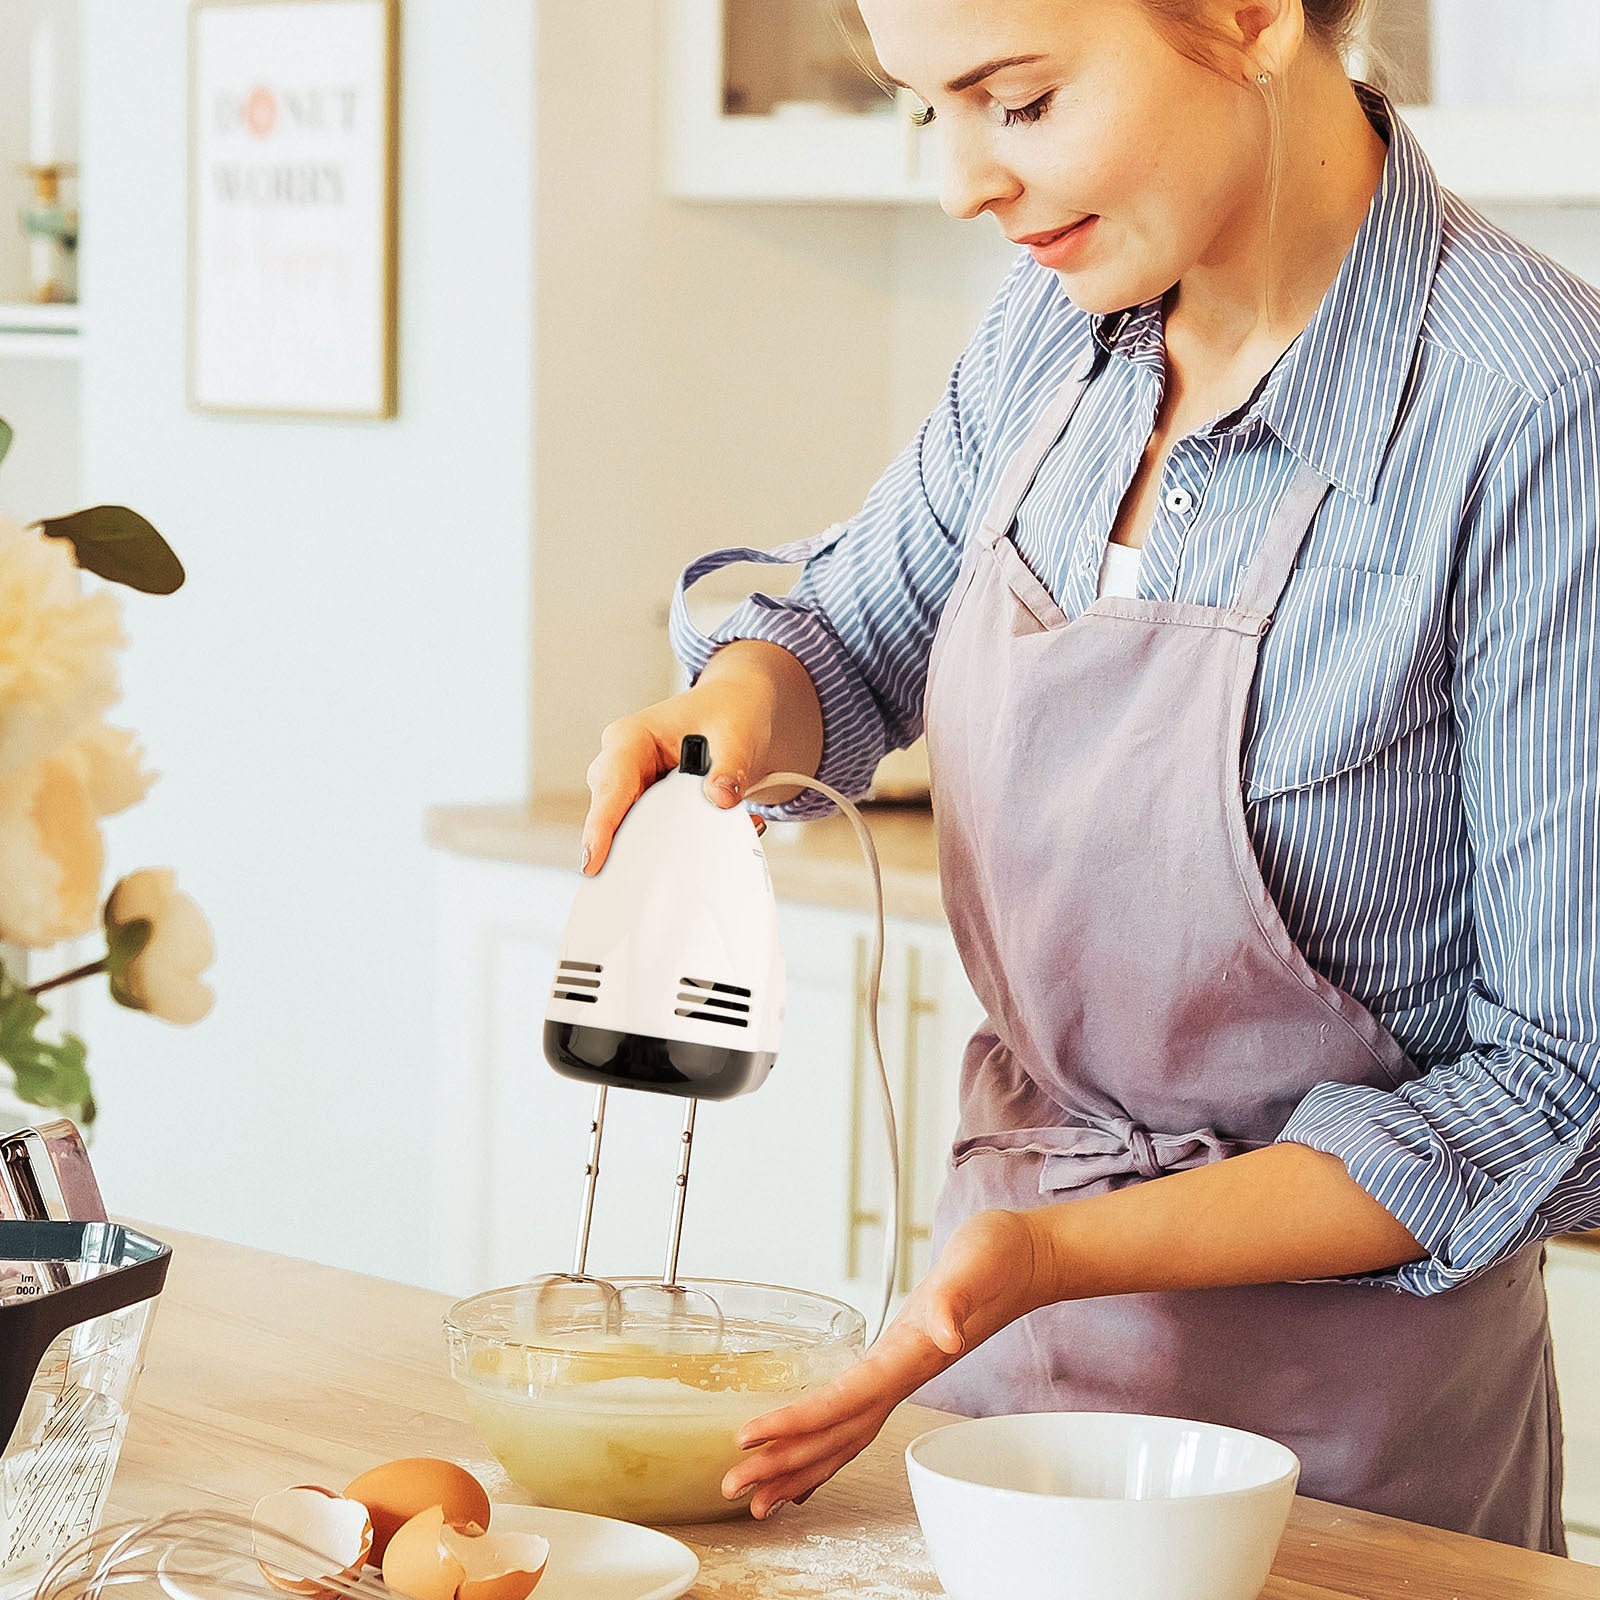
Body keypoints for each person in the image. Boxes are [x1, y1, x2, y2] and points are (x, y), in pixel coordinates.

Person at [579, 0, 1600, 1553]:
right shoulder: (1054, 328)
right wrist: (737, 701)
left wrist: (1062, 1255)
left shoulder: (1534, 413)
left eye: (1021, 100)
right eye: (929, 109)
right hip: (994, 1395)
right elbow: (852, 633)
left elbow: (1560, 1086)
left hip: (1349, 1467)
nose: (961, 184)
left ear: (1251, 17)